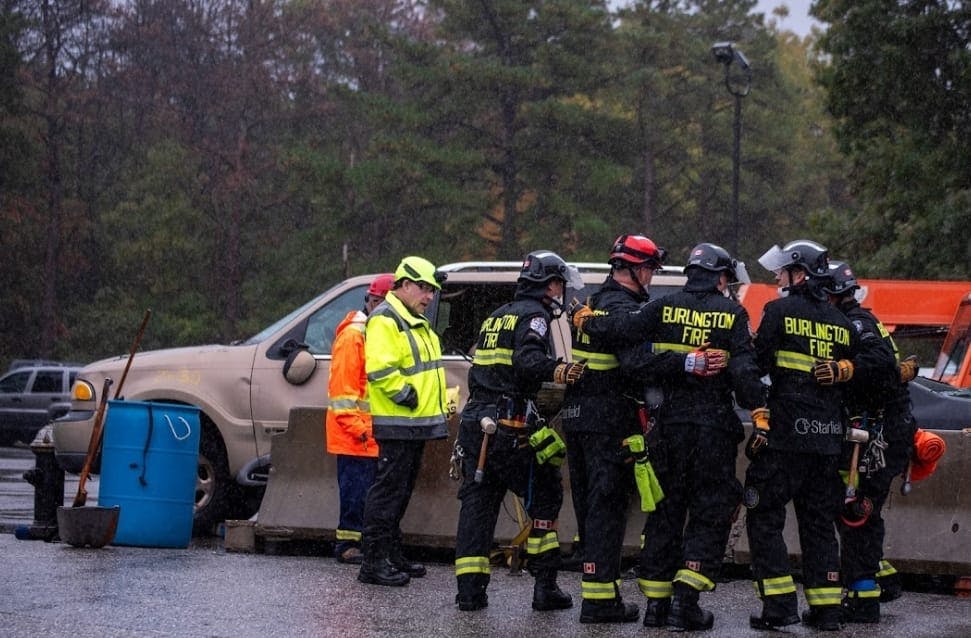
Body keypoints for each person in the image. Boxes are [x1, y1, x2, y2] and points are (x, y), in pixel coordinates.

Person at [575, 243, 766, 631]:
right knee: (710, 509)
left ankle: (655, 607)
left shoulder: (662, 307)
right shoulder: (732, 313)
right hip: (712, 429)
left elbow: (623, 333)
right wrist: (760, 413)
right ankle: (686, 601)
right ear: (723, 277)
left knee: (666, 510)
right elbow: (746, 372)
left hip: (668, 428)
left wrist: (586, 321)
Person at [745, 239, 889, 632]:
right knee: (818, 523)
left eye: (782, 272)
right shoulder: (844, 323)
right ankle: (826, 610)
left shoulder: (777, 311)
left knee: (764, 514)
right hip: (827, 441)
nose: (776, 278)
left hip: (786, 438)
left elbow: (757, 363)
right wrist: (846, 369)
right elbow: (880, 361)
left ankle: (778, 606)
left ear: (800, 274)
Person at [453, 250, 587, 613]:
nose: (561, 292)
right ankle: (545, 588)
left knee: (478, 508)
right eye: (559, 285)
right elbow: (527, 363)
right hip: (511, 428)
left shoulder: (496, 316)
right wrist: (559, 370)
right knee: (545, 496)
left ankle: (469, 593)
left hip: (475, 425)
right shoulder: (536, 316)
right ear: (550, 284)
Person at [560, 234, 665, 624]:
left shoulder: (591, 301)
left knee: (590, 506)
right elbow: (636, 365)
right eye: (650, 268)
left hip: (579, 417)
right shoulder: (622, 306)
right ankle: (601, 601)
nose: (652, 276)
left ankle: (598, 592)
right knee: (607, 506)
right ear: (635, 269)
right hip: (609, 420)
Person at [821, 260, 915, 623]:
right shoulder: (860, 319)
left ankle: (863, 598)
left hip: (877, 434)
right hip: (885, 428)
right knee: (864, 509)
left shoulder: (856, 323)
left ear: (829, 294)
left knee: (856, 510)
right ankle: (881, 578)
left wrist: (846, 370)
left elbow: (878, 365)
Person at [357, 256, 449, 587]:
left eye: (432, 291)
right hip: (399, 420)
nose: (429, 297)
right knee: (388, 492)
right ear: (404, 285)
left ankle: (390, 555)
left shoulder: (411, 319)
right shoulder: (386, 319)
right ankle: (373, 561)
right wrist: (405, 394)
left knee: (399, 491)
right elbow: (380, 369)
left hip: (413, 423)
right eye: (424, 289)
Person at [325, 273, 395, 565]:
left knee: (365, 494)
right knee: (355, 494)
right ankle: (347, 545)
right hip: (355, 434)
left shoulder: (374, 332)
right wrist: (362, 430)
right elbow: (343, 392)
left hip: (367, 433)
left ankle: (361, 543)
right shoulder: (355, 336)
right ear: (376, 301)